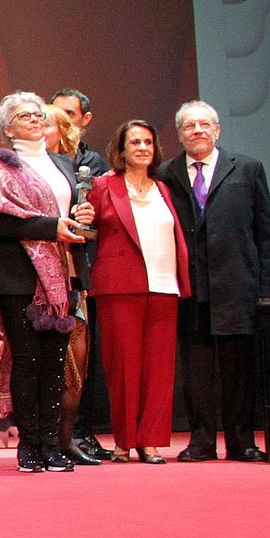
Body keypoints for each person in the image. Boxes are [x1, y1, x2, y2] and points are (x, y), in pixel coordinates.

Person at [0, 93, 95, 473]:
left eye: (38, 114)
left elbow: (68, 213)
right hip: (19, 277)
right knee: (27, 361)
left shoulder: (63, 162)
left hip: (61, 278)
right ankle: (29, 447)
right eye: (23, 115)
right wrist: (51, 227)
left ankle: (52, 443)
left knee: (54, 363)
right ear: (7, 127)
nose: (33, 119)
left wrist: (81, 214)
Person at [157, 101, 270, 462]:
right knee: (196, 373)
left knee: (238, 370)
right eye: (189, 126)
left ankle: (242, 441)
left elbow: (265, 233)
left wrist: (267, 288)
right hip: (190, 287)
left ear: (217, 130)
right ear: (179, 134)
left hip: (237, 284)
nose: (197, 130)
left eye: (204, 124)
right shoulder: (166, 173)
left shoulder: (247, 168)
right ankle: (201, 441)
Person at [88, 120, 189, 463]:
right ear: (121, 149)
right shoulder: (104, 185)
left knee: (159, 368)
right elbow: (87, 224)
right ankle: (124, 440)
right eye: (135, 142)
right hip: (120, 287)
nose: (143, 147)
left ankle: (150, 440)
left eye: (148, 142)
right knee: (123, 367)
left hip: (163, 285)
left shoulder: (163, 189)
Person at [51, 87, 113, 462]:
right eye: (52, 116)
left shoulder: (95, 165)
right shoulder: (32, 163)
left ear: (84, 120)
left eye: (68, 116)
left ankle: (81, 432)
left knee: (82, 360)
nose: (60, 123)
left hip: (83, 272)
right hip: (41, 273)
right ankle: (49, 436)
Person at [43, 104, 101, 465]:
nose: (38, 127)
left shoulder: (75, 174)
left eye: (46, 123)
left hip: (73, 275)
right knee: (43, 365)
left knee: (76, 367)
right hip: (36, 280)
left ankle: (67, 438)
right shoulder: (18, 169)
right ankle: (43, 440)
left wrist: (87, 215)